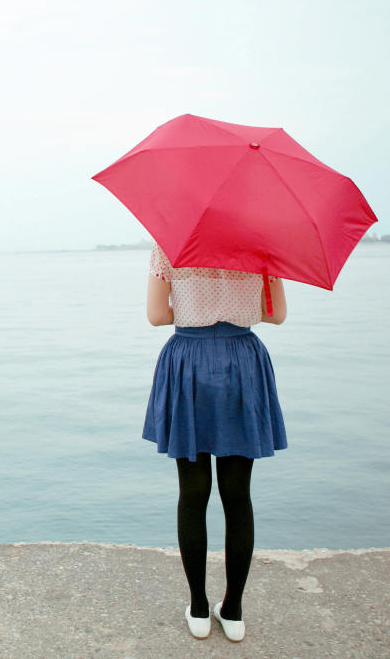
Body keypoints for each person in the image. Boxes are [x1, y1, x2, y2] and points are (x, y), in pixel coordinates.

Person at [143, 241, 288, 642]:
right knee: (238, 496)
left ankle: (199, 609)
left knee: (192, 494)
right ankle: (235, 611)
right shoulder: (261, 244)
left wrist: (192, 311)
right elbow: (275, 315)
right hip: (243, 362)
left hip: (188, 359)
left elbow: (157, 316)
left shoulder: (170, 242)